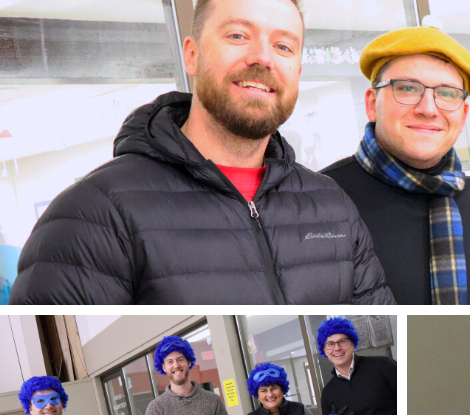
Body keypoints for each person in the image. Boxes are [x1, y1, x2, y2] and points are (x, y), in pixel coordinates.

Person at [8, 0, 392, 305]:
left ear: (298, 68)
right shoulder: (92, 216)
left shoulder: (331, 205)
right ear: (192, 55)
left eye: (283, 45)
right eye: (239, 35)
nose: (263, 57)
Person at [322, 24, 470, 304]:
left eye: (447, 94)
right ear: (372, 102)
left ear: (463, 116)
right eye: (406, 88)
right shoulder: (319, 200)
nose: (428, 109)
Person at [143, 335, 237, 415]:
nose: (176, 365)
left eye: (180, 359)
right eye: (170, 362)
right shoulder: (156, 407)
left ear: (189, 362)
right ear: (163, 367)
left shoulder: (212, 400)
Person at [317, 318, 397, 415]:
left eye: (342, 341)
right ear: (324, 350)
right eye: (330, 344)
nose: (337, 348)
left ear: (352, 343)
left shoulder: (383, 366)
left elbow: (417, 398)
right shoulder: (328, 391)